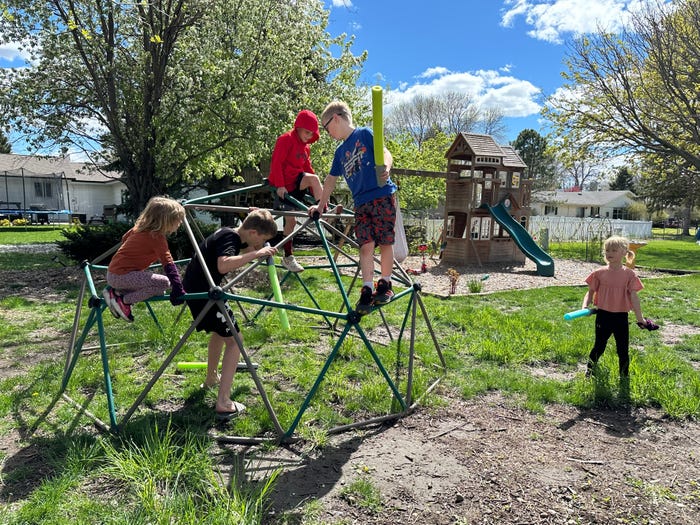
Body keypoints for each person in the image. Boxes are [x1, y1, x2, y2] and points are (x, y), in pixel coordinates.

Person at [182, 208, 278, 419]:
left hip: (196, 290)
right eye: (262, 238)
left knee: (220, 333)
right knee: (236, 340)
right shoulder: (231, 237)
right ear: (253, 232)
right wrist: (256, 253)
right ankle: (224, 402)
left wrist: (253, 251)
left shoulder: (228, 233)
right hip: (205, 294)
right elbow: (223, 264)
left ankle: (211, 378)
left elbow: (234, 254)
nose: (261, 243)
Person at [309, 100, 397, 315]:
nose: (327, 132)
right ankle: (367, 288)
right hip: (361, 203)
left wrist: (385, 166)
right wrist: (320, 205)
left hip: (381, 195)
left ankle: (385, 284)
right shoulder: (340, 153)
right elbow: (330, 180)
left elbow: (385, 152)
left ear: (336, 118)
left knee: (385, 241)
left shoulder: (364, 134)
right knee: (365, 245)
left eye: (326, 126)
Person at [581, 235, 658, 379]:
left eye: (614, 250)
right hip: (603, 316)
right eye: (607, 250)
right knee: (599, 346)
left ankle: (624, 376)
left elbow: (634, 298)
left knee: (622, 349)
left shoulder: (629, 275)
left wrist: (640, 318)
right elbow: (590, 292)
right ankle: (589, 370)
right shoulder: (599, 273)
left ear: (624, 252)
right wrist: (585, 306)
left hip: (621, 317)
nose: (609, 253)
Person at [103, 196, 186, 322]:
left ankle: (117, 292)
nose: (180, 223)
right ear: (166, 220)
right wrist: (178, 288)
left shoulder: (138, 229)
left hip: (113, 273)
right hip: (122, 276)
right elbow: (168, 264)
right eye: (178, 220)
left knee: (159, 291)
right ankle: (123, 300)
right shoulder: (157, 238)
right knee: (164, 283)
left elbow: (124, 238)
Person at [268, 109, 324, 273]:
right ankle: (288, 256)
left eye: (311, 134)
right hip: (285, 185)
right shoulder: (285, 140)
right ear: (298, 127)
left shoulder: (306, 148)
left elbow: (308, 168)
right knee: (290, 223)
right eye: (307, 132)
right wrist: (279, 185)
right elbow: (276, 163)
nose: (308, 136)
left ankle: (322, 206)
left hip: (297, 183)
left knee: (314, 178)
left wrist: (316, 191)